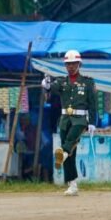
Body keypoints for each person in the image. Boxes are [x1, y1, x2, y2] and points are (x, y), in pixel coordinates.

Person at [43, 50, 98, 196]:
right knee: (70, 154)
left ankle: (63, 153)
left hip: (80, 120)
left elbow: (93, 103)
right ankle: (72, 184)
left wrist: (92, 122)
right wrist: (47, 85)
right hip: (65, 120)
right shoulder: (61, 82)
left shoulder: (87, 82)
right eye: (68, 64)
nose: (71, 66)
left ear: (79, 64)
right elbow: (52, 88)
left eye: (73, 63)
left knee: (68, 144)